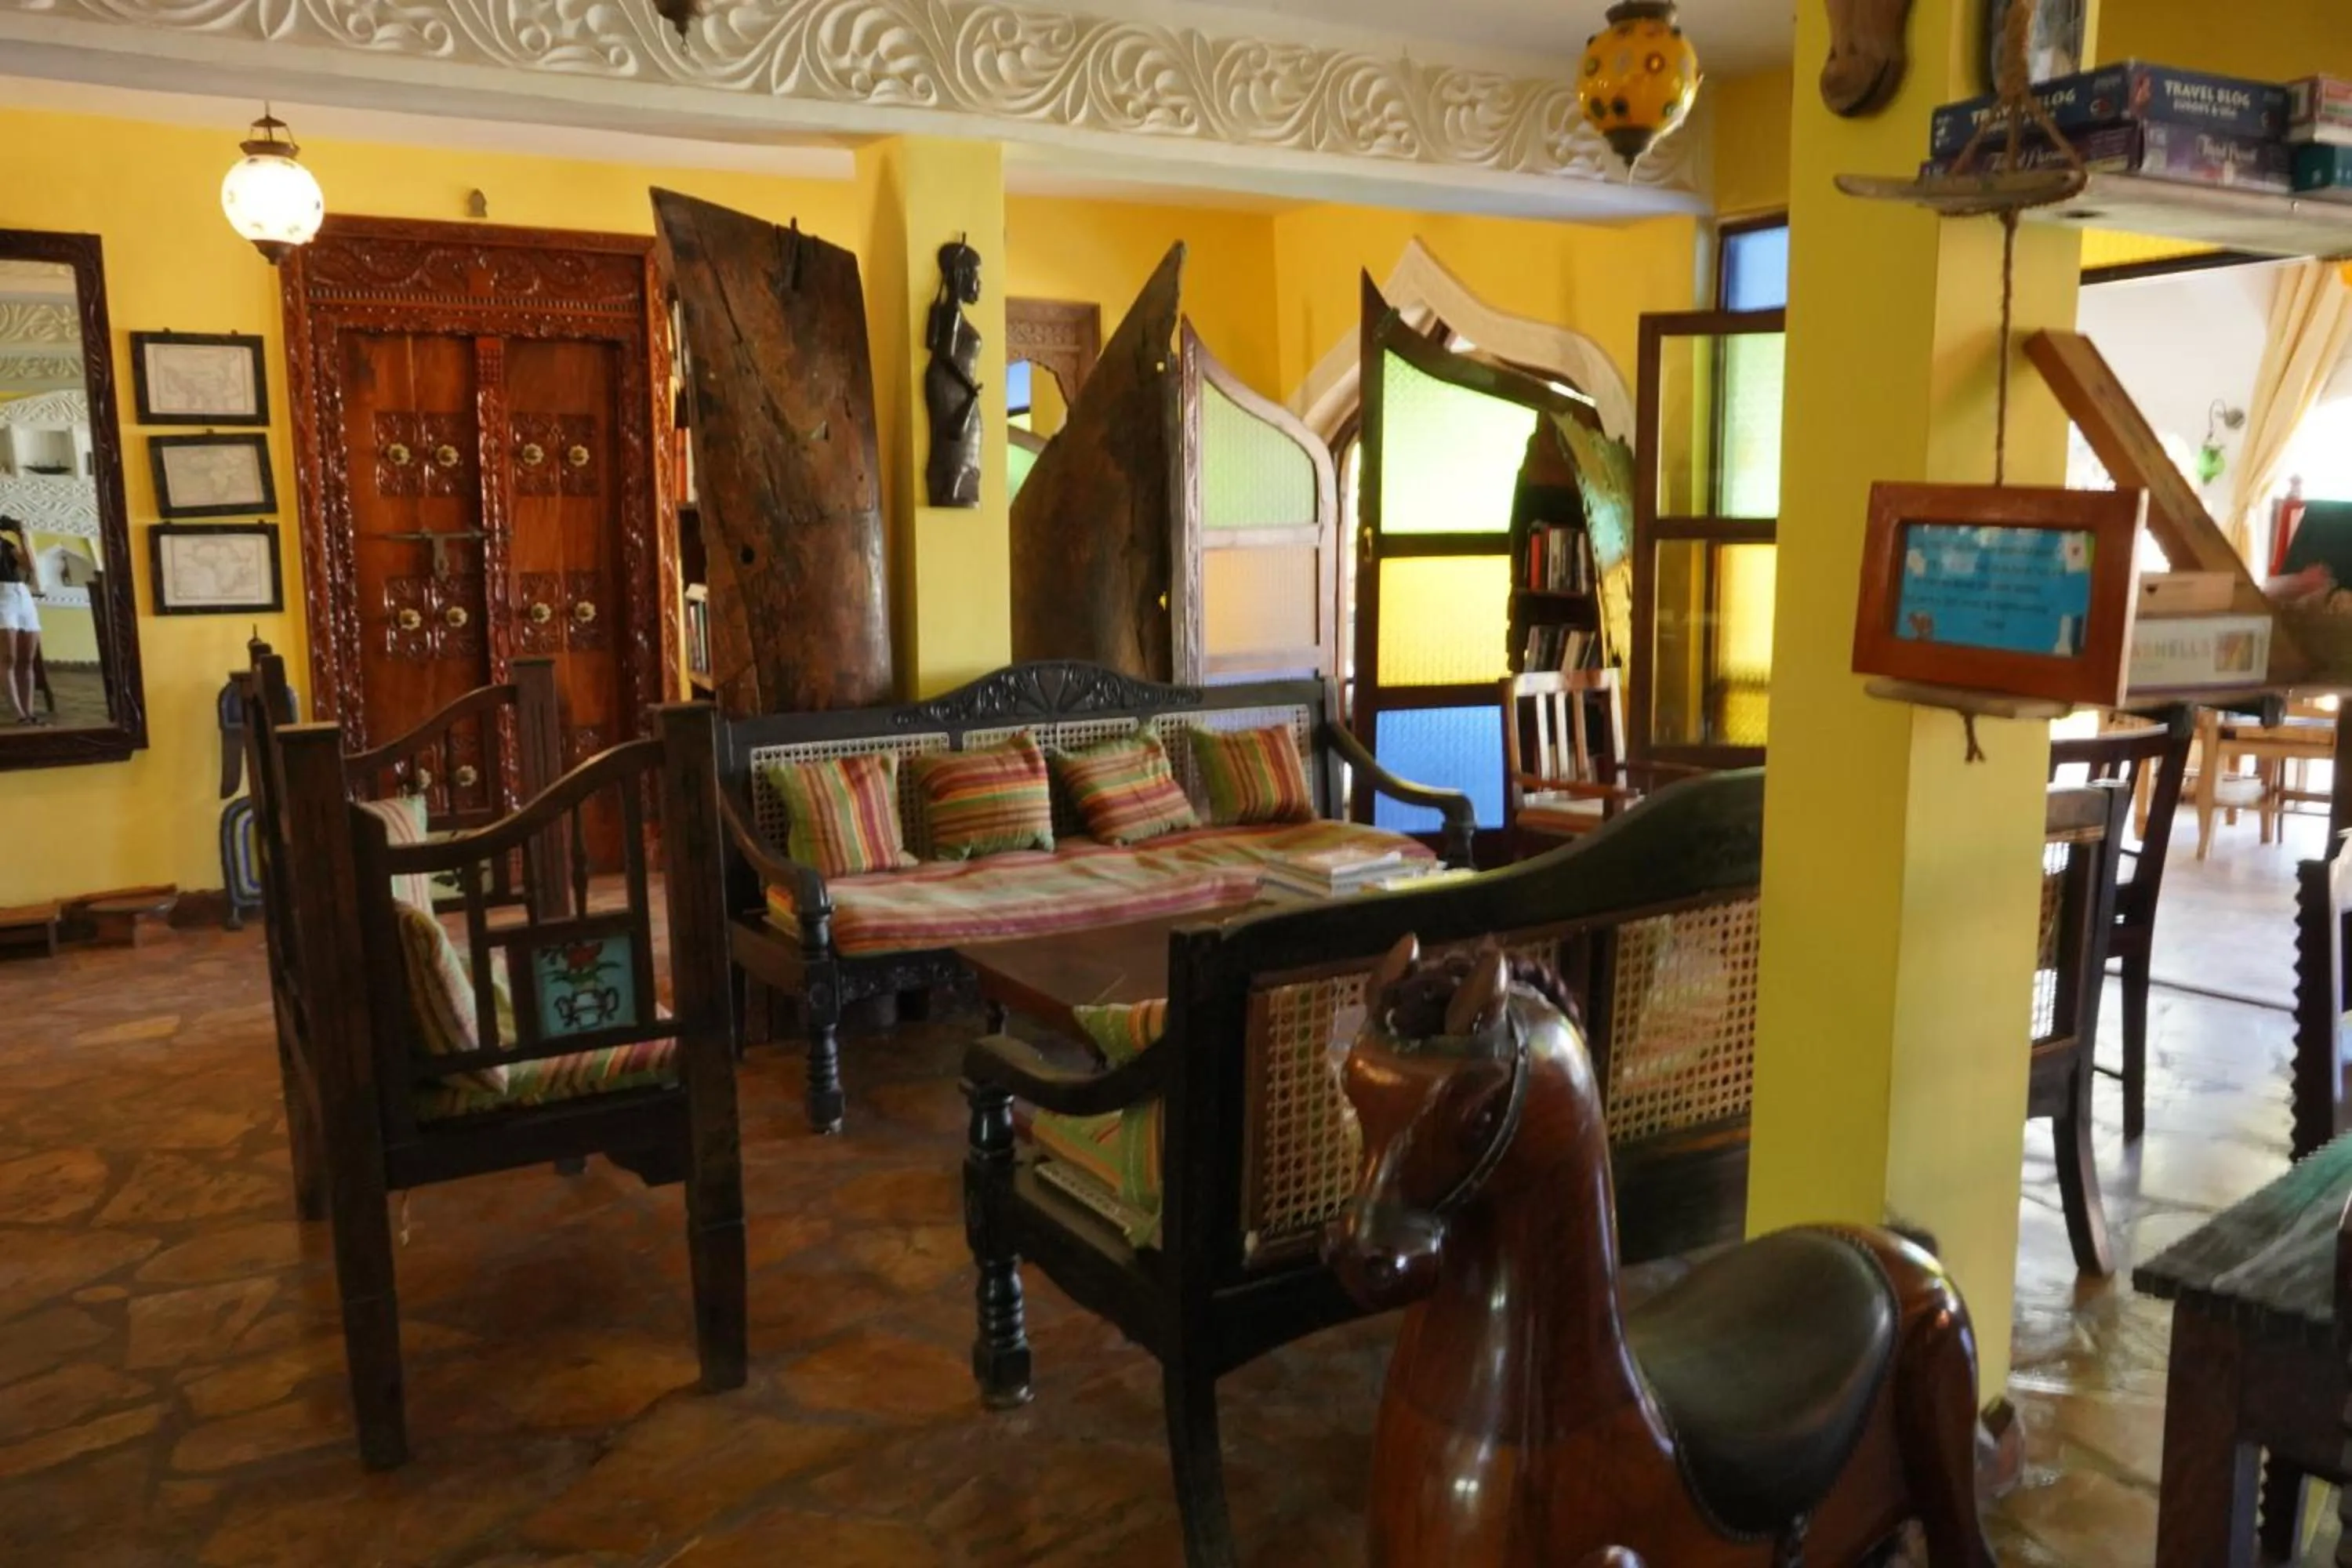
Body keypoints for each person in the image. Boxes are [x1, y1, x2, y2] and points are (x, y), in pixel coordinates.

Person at [0, 517, 45, 724]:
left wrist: (23, 537)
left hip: (21, 595)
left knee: (27, 659)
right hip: (1, 598)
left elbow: (29, 568)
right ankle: (19, 714)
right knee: (8, 658)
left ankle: (29, 712)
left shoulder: (6, 544)